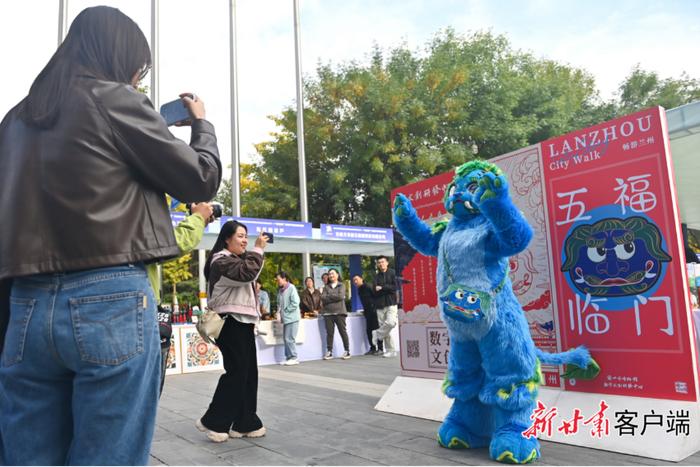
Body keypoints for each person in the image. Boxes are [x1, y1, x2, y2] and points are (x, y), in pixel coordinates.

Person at [0, 6, 221, 465]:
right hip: (109, 299)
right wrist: (201, 124)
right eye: (137, 69)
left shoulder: (15, 121)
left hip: (26, 305)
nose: (137, 80)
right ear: (118, 57)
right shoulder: (113, 98)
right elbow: (200, 179)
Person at [196, 221, 269, 443]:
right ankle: (214, 422)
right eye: (240, 236)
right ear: (227, 238)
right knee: (237, 373)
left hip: (242, 323)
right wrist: (258, 249)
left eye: (246, 236)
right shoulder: (220, 260)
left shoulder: (233, 260)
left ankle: (245, 422)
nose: (245, 240)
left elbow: (247, 277)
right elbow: (247, 273)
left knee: (248, 374)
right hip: (230, 323)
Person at [154, 202, 214, 396]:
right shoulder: (131, 197)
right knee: (139, 403)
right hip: (131, 312)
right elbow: (165, 244)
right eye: (240, 236)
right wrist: (197, 218)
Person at [320, 269, 351, 360]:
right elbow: (322, 298)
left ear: (337, 275)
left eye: (332, 273)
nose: (331, 275)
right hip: (328, 314)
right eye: (329, 274)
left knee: (342, 332)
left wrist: (329, 296)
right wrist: (334, 296)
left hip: (340, 312)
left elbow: (341, 296)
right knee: (329, 333)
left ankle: (347, 350)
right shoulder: (326, 287)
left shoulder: (342, 285)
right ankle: (329, 352)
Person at [372, 256, 399, 358]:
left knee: (391, 323)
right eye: (379, 262)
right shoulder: (376, 276)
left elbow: (395, 287)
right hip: (379, 305)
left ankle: (377, 333)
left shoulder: (393, 273)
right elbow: (374, 290)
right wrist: (386, 288)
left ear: (387, 263)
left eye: (383, 262)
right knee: (386, 329)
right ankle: (390, 350)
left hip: (391, 303)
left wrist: (383, 287)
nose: (381, 264)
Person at [352, 275, 383, 355]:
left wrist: (375, 307)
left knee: (377, 329)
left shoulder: (368, 286)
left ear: (361, 279)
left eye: (356, 279)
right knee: (369, 330)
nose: (355, 282)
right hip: (367, 312)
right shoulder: (359, 289)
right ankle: (372, 348)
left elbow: (376, 296)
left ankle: (380, 348)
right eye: (354, 281)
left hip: (375, 311)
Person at [276, 272, 301, 365]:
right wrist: (278, 312)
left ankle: (294, 357)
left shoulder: (291, 288)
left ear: (284, 278)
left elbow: (295, 302)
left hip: (292, 318)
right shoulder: (280, 290)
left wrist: (285, 311)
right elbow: (279, 304)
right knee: (286, 338)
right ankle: (288, 357)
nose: (277, 281)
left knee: (289, 338)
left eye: (278, 280)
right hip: (286, 318)